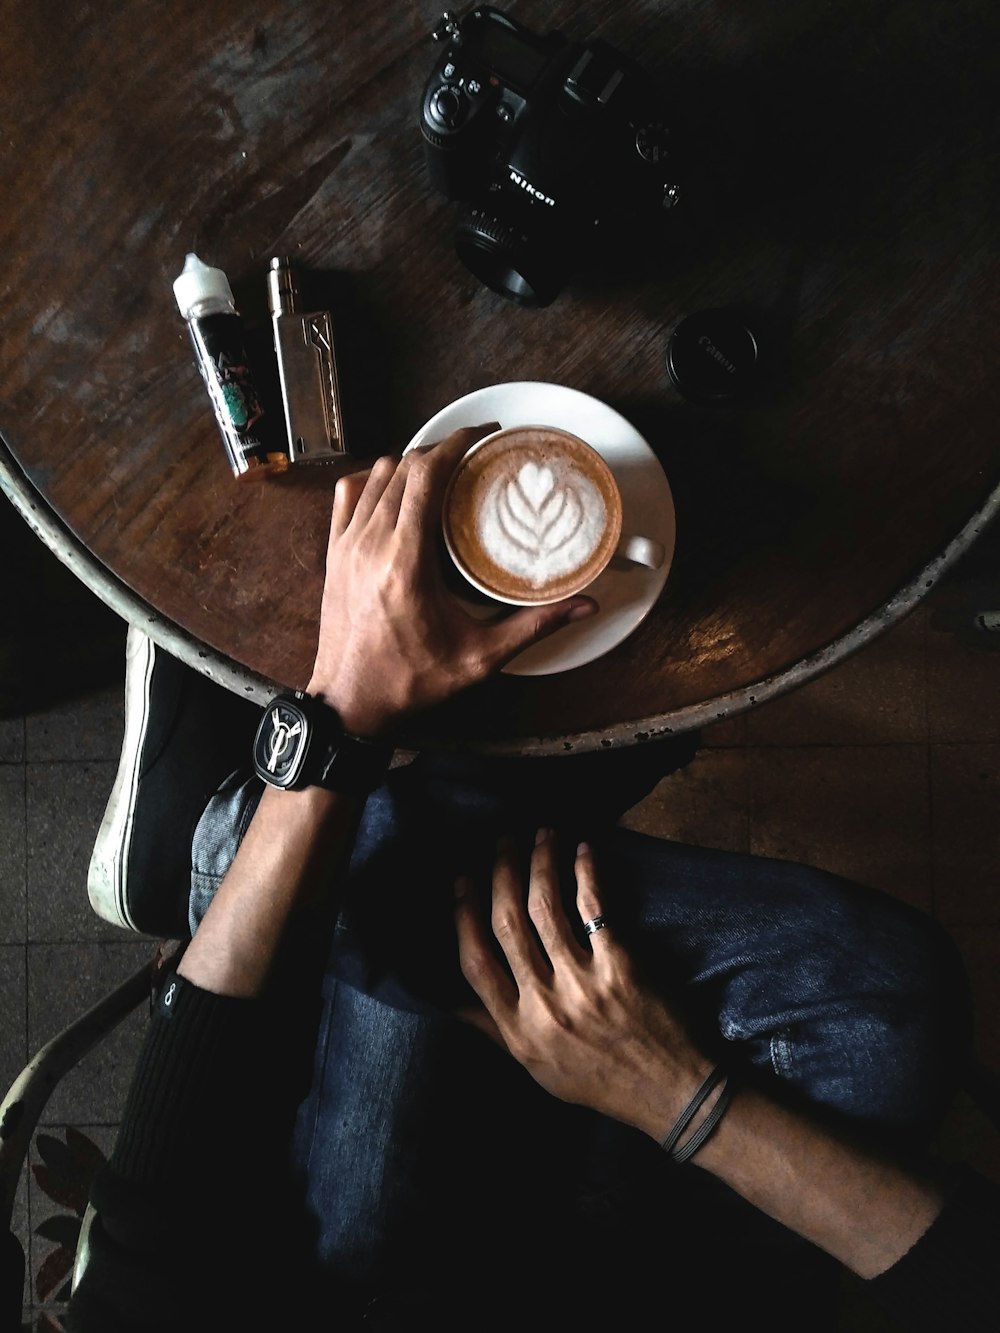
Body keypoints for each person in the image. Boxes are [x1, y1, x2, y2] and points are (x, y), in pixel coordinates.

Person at [65, 427, 999, 1332]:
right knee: (896, 1012)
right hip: (626, 1267)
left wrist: (343, 714)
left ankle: (247, 824)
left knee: (381, 867)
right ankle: (563, 720)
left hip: (348, 1276)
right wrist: (673, 1098)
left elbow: (160, 1220)